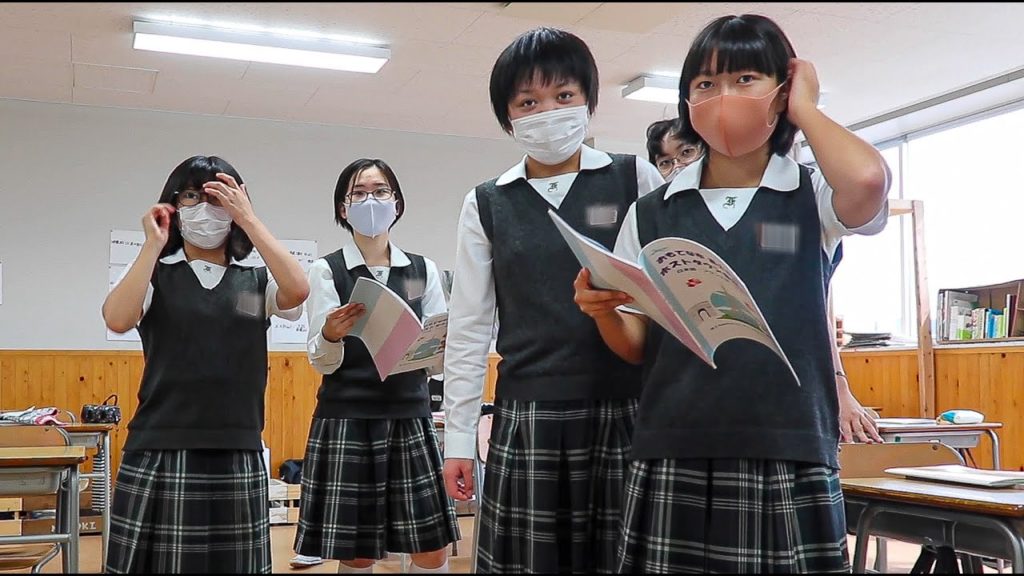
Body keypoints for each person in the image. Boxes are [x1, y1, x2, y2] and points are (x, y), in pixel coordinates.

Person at [573, 13, 890, 573]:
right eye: (705, 83)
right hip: (674, 439)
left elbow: (867, 181)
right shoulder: (651, 212)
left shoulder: (813, 195)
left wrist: (806, 110)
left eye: (745, 79)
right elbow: (638, 342)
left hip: (788, 442)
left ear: (781, 91)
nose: (723, 96)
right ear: (687, 101)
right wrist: (603, 314)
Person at [441, 26, 664, 574]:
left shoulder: (633, 177)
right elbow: (469, 327)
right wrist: (458, 440)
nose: (548, 112)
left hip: (625, 409)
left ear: (589, 100)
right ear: (508, 115)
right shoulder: (487, 202)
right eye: (528, 102)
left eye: (564, 95)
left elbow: (663, 299)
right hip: (527, 413)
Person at [102, 155, 310, 573]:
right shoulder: (156, 273)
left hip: (237, 444)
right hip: (161, 444)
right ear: (174, 205)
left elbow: (298, 290)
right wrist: (152, 245)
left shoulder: (255, 281)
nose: (203, 208)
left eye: (217, 197)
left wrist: (249, 219)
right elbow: (118, 318)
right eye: (191, 196)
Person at [293, 158, 459, 574]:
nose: (372, 200)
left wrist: (435, 347)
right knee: (357, 551)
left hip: (409, 414)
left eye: (381, 191)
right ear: (343, 208)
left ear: (397, 203)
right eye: (359, 193)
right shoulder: (326, 270)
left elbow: (440, 352)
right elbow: (320, 360)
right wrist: (331, 334)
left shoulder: (422, 269)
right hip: (348, 417)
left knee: (431, 547)